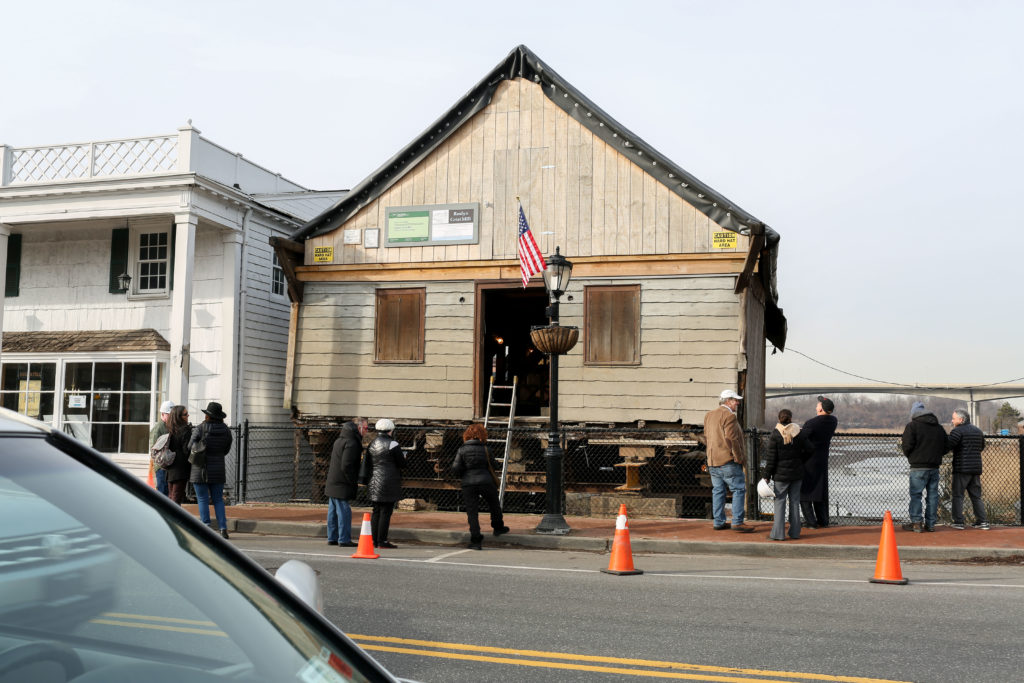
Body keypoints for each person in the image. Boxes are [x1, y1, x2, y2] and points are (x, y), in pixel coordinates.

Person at [702, 389, 754, 532]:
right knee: (738, 489)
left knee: (718, 491)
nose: (737, 403)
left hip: (713, 460)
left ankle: (718, 521)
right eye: (735, 400)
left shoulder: (709, 415)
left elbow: (706, 437)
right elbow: (731, 439)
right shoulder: (729, 416)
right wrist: (738, 457)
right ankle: (737, 522)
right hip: (727, 461)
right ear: (728, 401)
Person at [451, 423, 510, 550]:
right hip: (486, 480)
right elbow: (495, 465)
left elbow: (455, 468)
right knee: (494, 504)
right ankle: (498, 527)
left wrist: (464, 474)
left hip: (468, 483)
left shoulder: (461, 450)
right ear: (482, 435)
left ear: (467, 435)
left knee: (472, 512)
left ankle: (476, 540)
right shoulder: (486, 449)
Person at [762, 409, 814, 541]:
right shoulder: (798, 432)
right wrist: (801, 459)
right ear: (791, 418)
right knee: (795, 502)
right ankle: (795, 533)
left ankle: (778, 534)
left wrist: (767, 475)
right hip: (797, 473)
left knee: (779, 502)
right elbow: (810, 449)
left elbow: (771, 458)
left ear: (779, 418)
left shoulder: (775, 434)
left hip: (780, 475)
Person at [189, 401, 234, 539]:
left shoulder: (200, 428)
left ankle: (206, 528)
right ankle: (223, 529)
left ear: (207, 415)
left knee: (202, 499)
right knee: (218, 500)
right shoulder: (226, 430)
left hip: (200, 468)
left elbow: (190, 445)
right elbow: (226, 449)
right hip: (218, 468)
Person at [900, 401, 946, 532]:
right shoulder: (939, 427)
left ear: (913, 414)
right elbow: (946, 445)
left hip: (918, 466)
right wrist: (936, 456)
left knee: (916, 495)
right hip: (934, 467)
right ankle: (930, 524)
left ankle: (916, 523)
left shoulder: (912, 426)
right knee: (932, 496)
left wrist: (912, 457)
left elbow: (906, 445)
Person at [359, 418, 405, 549]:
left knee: (376, 511)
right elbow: (402, 463)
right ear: (390, 430)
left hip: (374, 481)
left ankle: (373, 540)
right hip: (388, 482)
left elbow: (367, 463)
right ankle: (382, 540)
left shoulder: (371, 444)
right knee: (386, 512)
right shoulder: (393, 444)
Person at [325, 418, 367, 548]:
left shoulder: (339, 440)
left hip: (333, 480)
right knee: (344, 511)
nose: (366, 431)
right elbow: (347, 465)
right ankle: (344, 539)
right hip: (342, 482)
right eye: (365, 428)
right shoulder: (352, 443)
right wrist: (352, 480)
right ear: (358, 428)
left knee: (332, 511)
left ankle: (332, 537)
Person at [947, 408, 989, 530]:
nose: (952, 420)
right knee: (976, 496)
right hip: (975, 469)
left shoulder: (957, 431)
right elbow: (981, 447)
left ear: (961, 419)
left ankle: (958, 522)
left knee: (958, 495)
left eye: (953, 418)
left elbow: (948, 446)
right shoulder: (978, 431)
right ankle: (983, 521)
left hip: (961, 468)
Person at [800, 395, 839, 529]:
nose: (817, 405)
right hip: (822, 460)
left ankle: (811, 522)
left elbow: (801, 438)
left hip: (808, 461)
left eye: (818, 404)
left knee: (804, 492)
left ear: (821, 409)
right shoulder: (833, 421)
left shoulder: (811, 423)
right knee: (820, 491)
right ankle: (823, 520)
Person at [164, 405, 193, 505]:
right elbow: (187, 450)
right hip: (181, 468)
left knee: (171, 496)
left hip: (170, 465)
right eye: (185, 414)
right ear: (179, 416)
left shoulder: (169, 429)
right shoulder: (185, 429)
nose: (188, 415)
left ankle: (170, 519)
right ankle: (173, 520)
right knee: (176, 498)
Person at [148, 400, 174, 496]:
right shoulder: (158, 428)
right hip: (161, 467)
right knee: (162, 493)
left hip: (168, 466)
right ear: (163, 414)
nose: (171, 417)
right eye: (169, 415)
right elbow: (154, 449)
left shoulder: (169, 426)